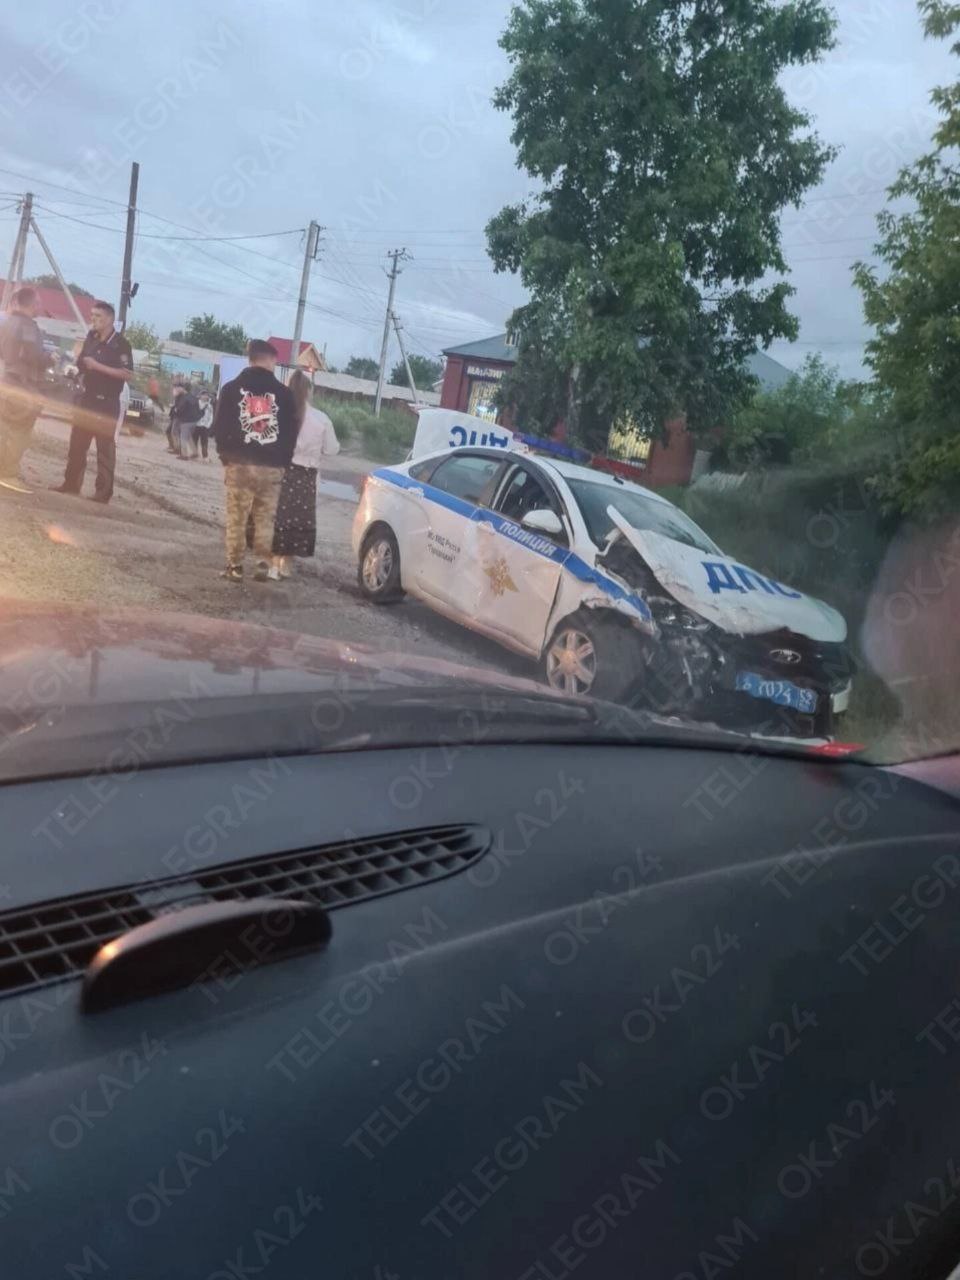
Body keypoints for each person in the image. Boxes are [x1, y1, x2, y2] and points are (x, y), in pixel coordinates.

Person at [213, 339, 296, 583]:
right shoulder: (284, 394)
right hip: (271, 467)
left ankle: (235, 566)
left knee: (236, 517)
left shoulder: (230, 389)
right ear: (270, 359)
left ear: (250, 358)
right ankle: (263, 562)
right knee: (265, 517)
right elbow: (291, 433)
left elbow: (220, 428)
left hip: (239, 464)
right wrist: (284, 462)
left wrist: (225, 457)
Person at [52, 300, 132, 504]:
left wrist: (97, 366)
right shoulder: (91, 338)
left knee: (105, 448)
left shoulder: (121, 344)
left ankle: (103, 492)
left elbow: (126, 373)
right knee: (77, 443)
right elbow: (82, 362)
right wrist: (75, 369)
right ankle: (71, 483)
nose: (94, 320)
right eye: (92, 316)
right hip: (87, 398)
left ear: (110, 320)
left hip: (107, 402)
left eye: (98, 317)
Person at [268, 369, 340, 580]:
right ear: (308, 391)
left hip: (282, 472)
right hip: (306, 477)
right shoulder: (321, 419)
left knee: (278, 519)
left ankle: (272, 565)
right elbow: (332, 449)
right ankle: (286, 566)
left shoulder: (279, 414)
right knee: (296, 522)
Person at [0, 286, 47, 494]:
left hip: (7, 380)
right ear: (33, 304)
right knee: (20, 432)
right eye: (38, 302)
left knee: (4, 429)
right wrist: (49, 358)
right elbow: (32, 356)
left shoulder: (6, 323)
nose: (40, 306)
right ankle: (8, 474)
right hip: (23, 384)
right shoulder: (29, 326)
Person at [170, 383, 201, 459]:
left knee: (183, 437)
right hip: (194, 421)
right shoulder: (193, 397)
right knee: (189, 436)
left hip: (186, 420)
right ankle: (195, 452)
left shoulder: (184, 398)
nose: (176, 389)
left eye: (178, 388)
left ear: (183, 388)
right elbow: (198, 409)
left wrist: (175, 409)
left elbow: (180, 410)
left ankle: (184, 455)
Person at [195, 390, 214, 461]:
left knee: (204, 442)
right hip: (196, 425)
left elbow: (211, 416)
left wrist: (208, 425)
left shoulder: (209, 406)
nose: (205, 396)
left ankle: (205, 456)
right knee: (194, 440)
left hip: (205, 426)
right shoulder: (196, 403)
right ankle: (194, 454)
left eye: (206, 395)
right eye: (203, 394)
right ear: (200, 395)